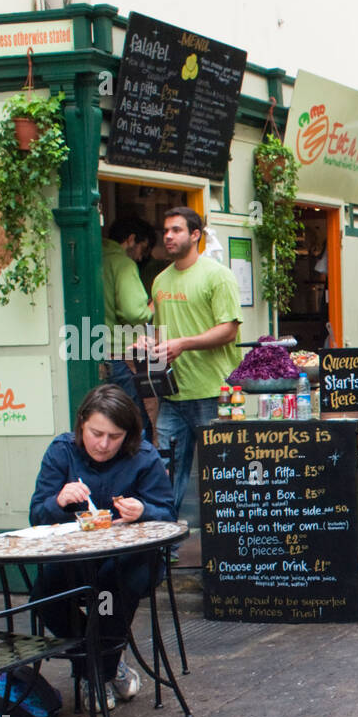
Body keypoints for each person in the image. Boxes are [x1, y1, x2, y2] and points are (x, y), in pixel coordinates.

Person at [29, 385, 177, 709]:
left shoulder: (144, 457)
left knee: (112, 586)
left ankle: (93, 676)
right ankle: (103, 666)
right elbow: (36, 516)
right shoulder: (61, 451)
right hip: (76, 559)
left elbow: (170, 517)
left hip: (133, 560)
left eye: (115, 436)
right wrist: (58, 501)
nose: (104, 444)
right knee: (43, 595)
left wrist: (144, 511)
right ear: (82, 423)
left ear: (128, 435)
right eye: (96, 433)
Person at [138, 206, 242, 518]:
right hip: (173, 393)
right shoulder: (159, 281)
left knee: (222, 470)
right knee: (163, 471)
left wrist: (185, 343)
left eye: (176, 230)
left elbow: (229, 329)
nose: (168, 236)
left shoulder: (218, 276)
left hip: (216, 391)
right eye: (166, 230)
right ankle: (164, 544)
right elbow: (162, 332)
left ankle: (229, 543)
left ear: (195, 235)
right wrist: (148, 342)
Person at [102, 217, 157, 442]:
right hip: (122, 357)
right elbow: (133, 312)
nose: (142, 256)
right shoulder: (122, 263)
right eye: (143, 248)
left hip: (94, 352)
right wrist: (152, 306)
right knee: (136, 425)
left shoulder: (95, 258)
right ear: (132, 240)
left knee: (106, 420)